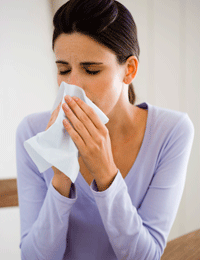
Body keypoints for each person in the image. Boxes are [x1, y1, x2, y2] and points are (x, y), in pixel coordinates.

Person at [16, 0, 195, 259]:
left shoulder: (171, 131)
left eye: (91, 70)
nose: (73, 85)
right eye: (63, 69)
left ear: (129, 70)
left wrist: (105, 171)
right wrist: (61, 179)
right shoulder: (32, 132)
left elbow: (146, 256)